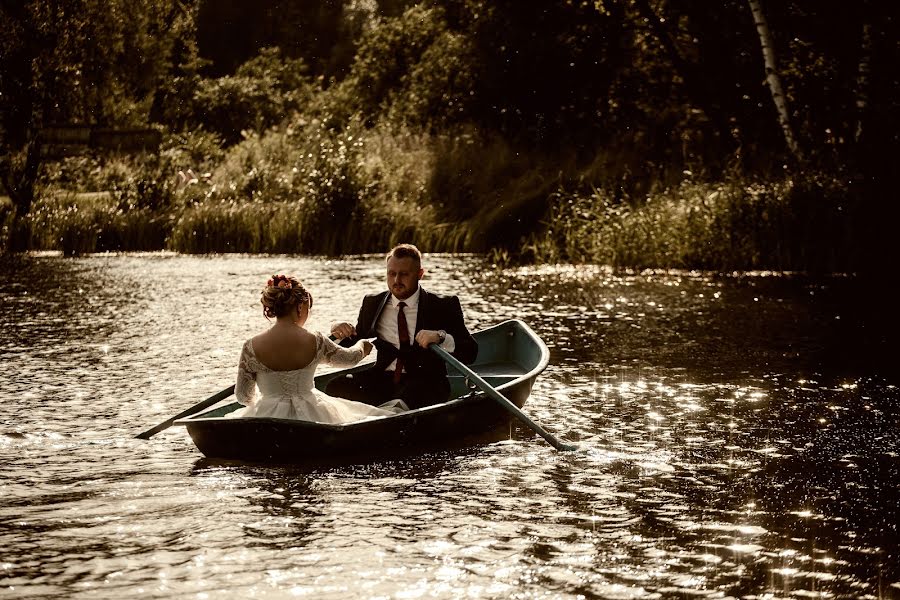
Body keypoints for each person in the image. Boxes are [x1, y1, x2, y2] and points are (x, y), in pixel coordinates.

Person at [229, 274, 408, 422]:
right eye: (308, 307)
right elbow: (348, 359)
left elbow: (243, 396)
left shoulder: (251, 345)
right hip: (312, 411)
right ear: (300, 306)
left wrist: (267, 401)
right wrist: (363, 346)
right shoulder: (315, 340)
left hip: (266, 415)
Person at [326, 243, 478, 409]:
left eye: (404, 274)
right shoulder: (373, 303)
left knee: (401, 404)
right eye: (391, 274)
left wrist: (440, 337)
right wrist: (337, 329)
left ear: (420, 274)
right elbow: (353, 338)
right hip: (383, 379)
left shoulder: (443, 305)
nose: (396, 280)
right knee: (335, 386)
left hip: (425, 382)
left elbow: (470, 352)